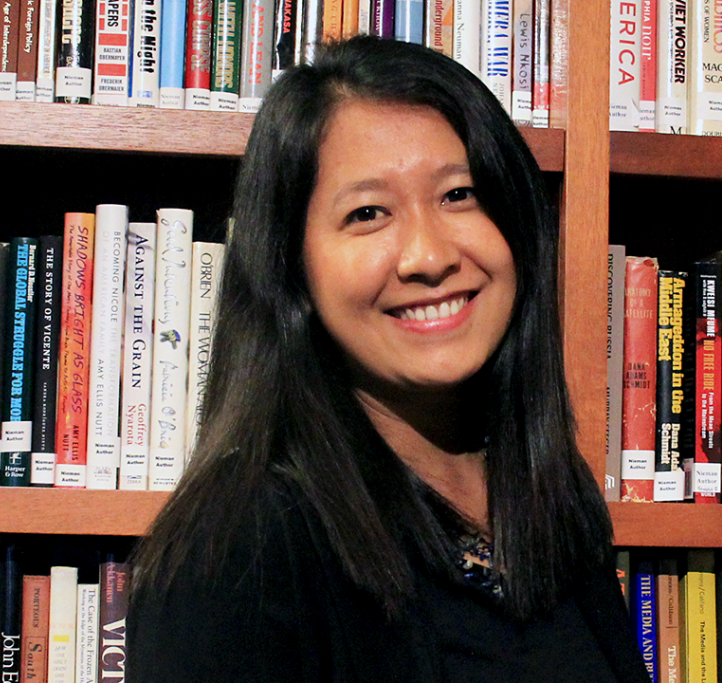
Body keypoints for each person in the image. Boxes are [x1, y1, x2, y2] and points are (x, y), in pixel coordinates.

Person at [127, 35, 648, 683]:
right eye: (368, 212)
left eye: (459, 194)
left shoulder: (548, 491)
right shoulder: (237, 554)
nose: (428, 256)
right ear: (291, 267)